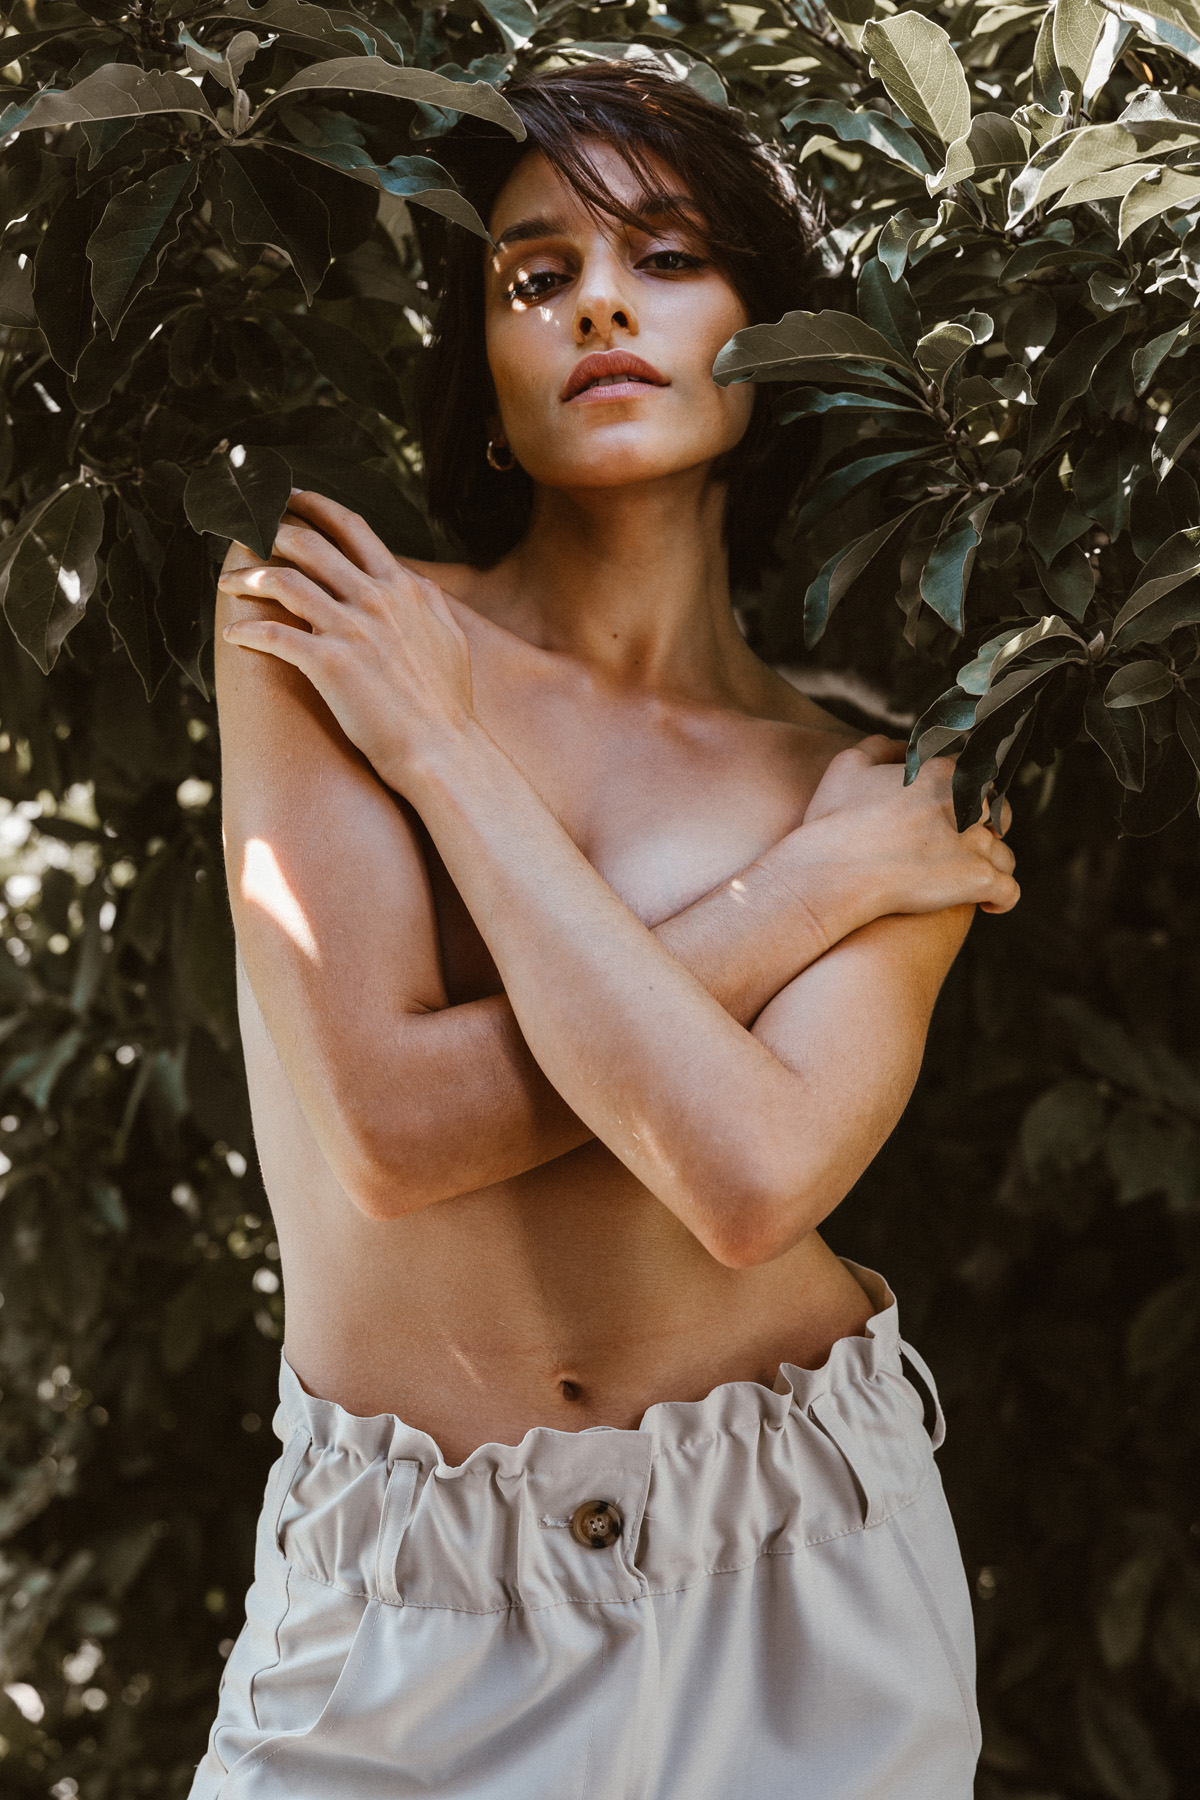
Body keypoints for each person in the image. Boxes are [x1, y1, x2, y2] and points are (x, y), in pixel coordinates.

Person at [192, 61, 1018, 1800]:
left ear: (768, 342)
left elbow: (752, 1179)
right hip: (397, 1616)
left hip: (800, 1577)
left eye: (669, 256)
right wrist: (802, 894)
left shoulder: (880, 776)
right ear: (486, 374)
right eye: (536, 272)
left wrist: (448, 767)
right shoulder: (333, 625)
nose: (601, 306)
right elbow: (393, 1130)